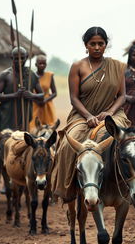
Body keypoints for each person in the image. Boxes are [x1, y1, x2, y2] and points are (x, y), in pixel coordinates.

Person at [51, 27, 130, 202]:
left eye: (100, 44)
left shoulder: (117, 66)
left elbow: (122, 96)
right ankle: (67, 188)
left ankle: (130, 182)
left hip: (112, 113)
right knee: (67, 144)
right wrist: (88, 116)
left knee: (126, 139)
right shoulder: (78, 66)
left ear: (105, 45)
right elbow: (73, 98)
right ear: (86, 45)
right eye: (92, 44)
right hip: (82, 114)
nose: (96, 47)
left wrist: (109, 112)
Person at [0, 47, 44, 131]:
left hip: (25, 117)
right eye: (16, 59)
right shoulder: (5, 75)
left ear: (27, 57)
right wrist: (15, 95)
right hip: (7, 117)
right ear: (11, 58)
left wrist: (31, 95)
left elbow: (41, 96)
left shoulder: (32, 75)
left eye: (22, 58)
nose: (20, 61)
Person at [29, 55, 57, 130]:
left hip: (46, 105)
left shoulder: (49, 75)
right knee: (34, 127)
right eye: (40, 63)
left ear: (46, 64)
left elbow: (54, 93)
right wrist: (36, 101)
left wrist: (45, 100)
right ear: (36, 65)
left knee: (48, 128)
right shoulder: (31, 76)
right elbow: (29, 93)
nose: (42, 65)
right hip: (35, 105)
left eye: (44, 63)